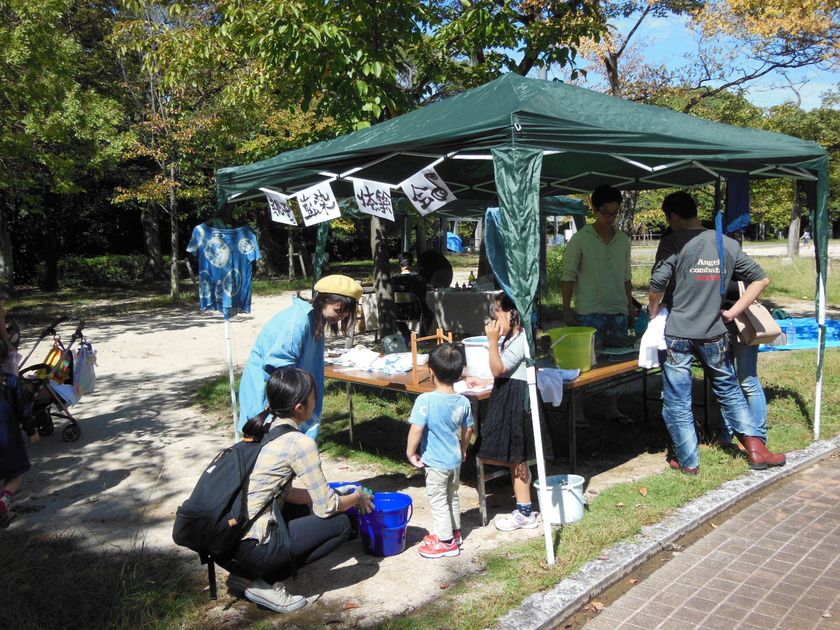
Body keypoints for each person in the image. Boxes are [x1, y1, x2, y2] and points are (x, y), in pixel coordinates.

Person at [648, 191, 785, 474]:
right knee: (729, 390)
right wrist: (733, 312)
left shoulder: (672, 242)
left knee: (678, 398)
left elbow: (657, 283)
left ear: (673, 216)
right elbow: (761, 279)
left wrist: (653, 312)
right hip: (714, 332)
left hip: (678, 334)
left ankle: (688, 462)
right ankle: (756, 450)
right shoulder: (726, 244)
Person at [222, 367, 374, 613]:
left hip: (230, 540)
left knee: (304, 508)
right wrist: (357, 497)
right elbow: (327, 508)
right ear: (300, 408)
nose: (318, 398)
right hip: (253, 546)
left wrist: (324, 494)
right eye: (314, 395)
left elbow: (279, 492)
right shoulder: (300, 443)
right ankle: (264, 582)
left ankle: (244, 574)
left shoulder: (262, 430)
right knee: (343, 524)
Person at [238, 274, 362, 440]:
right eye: (338, 310)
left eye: (346, 313)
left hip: (294, 400)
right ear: (322, 300)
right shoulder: (297, 322)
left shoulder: (316, 320)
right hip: (272, 401)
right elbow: (282, 373)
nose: (342, 316)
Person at [476, 293, 552, 531]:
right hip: (509, 396)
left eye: (496, 313)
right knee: (513, 457)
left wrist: (491, 341)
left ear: (513, 314)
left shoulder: (521, 340)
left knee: (517, 458)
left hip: (517, 401)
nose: (493, 319)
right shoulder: (512, 337)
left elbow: (498, 368)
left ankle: (525, 511)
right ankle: (524, 508)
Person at [561, 184, 636, 423]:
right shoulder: (581, 239)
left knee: (616, 363)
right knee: (587, 364)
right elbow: (568, 276)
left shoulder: (623, 240)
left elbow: (626, 277)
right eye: (606, 213)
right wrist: (566, 308)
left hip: (617, 310)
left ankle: (611, 406)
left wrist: (630, 305)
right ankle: (579, 409)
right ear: (594, 209)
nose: (611, 218)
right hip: (589, 311)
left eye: (615, 213)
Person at [405, 343, 474, 558]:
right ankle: (454, 532)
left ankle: (445, 542)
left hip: (435, 462)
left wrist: (410, 452)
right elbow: (468, 428)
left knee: (438, 500)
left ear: (432, 372)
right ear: (459, 372)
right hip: (454, 460)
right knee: (452, 496)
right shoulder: (464, 401)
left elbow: (416, 429)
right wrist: (463, 448)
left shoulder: (425, 400)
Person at [0, 303, 37, 527]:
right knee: (16, 473)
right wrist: (32, 431)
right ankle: (4, 502)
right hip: (7, 437)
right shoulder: (10, 381)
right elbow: (23, 408)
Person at [391, 251, 433, 335]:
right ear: (412, 264)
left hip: (397, 312)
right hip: (416, 311)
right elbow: (423, 296)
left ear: (399, 265)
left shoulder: (393, 280)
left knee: (395, 317)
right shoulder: (420, 279)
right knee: (429, 314)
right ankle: (422, 336)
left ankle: (407, 334)